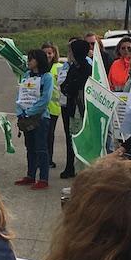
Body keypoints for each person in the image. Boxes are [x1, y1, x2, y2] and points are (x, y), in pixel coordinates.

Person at [14, 48, 54, 190]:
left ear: (38, 61)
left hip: (40, 118)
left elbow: (45, 99)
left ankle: (43, 178)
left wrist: (30, 112)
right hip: (26, 117)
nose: (28, 61)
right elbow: (20, 94)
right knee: (30, 147)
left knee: (41, 148)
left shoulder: (47, 77)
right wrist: (20, 112)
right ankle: (30, 175)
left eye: (31, 59)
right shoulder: (26, 75)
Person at [60, 38, 93, 180]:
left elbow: (76, 86)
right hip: (72, 107)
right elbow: (65, 85)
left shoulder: (87, 67)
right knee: (72, 137)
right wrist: (69, 87)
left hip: (82, 108)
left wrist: (70, 87)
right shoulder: (74, 66)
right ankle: (72, 167)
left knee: (81, 139)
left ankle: (84, 172)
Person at [43, 42, 64, 168]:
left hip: (54, 107)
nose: (47, 55)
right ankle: (42, 158)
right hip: (40, 107)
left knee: (49, 134)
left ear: (54, 53)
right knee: (41, 135)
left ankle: (48, 158)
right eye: (45, 53)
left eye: (50, 53)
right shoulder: (38, 67)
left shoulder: (59, 67)